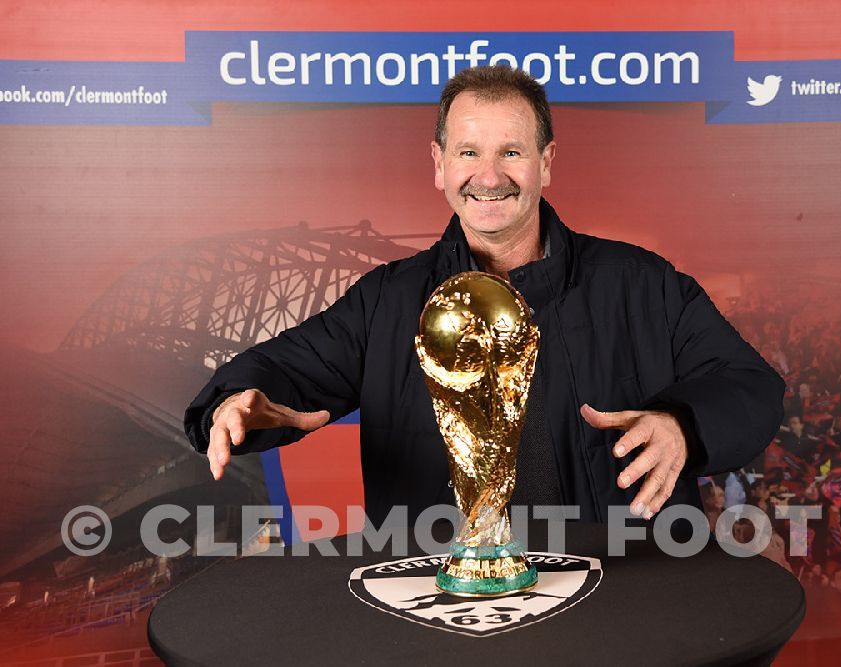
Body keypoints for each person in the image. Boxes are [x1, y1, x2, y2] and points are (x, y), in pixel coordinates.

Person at [184, 65, 785, 526]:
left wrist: (682, 423)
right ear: (440, 164)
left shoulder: (644, 284)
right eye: (469, 152)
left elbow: (750, 387)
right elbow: (283, 370)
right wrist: (232, 403)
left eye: (512, 152)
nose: (489, 176)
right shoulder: (385, 303)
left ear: (546, 163)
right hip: (446, 608)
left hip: (619, 596)